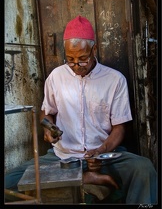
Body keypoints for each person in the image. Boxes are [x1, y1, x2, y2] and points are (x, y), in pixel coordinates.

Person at [5, 15, 157, 204]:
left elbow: (120, 128)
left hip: (104, 157)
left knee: (144, 170)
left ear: (94, 49)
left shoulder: (115, 80)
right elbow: (47, 112)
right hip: (63, 158)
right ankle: (85, 177)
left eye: (82, 59)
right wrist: (47, 127)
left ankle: (88, 176)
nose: (76, 66)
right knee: (8, 182)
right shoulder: (56, 77)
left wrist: (102, 149)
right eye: (70, 59)